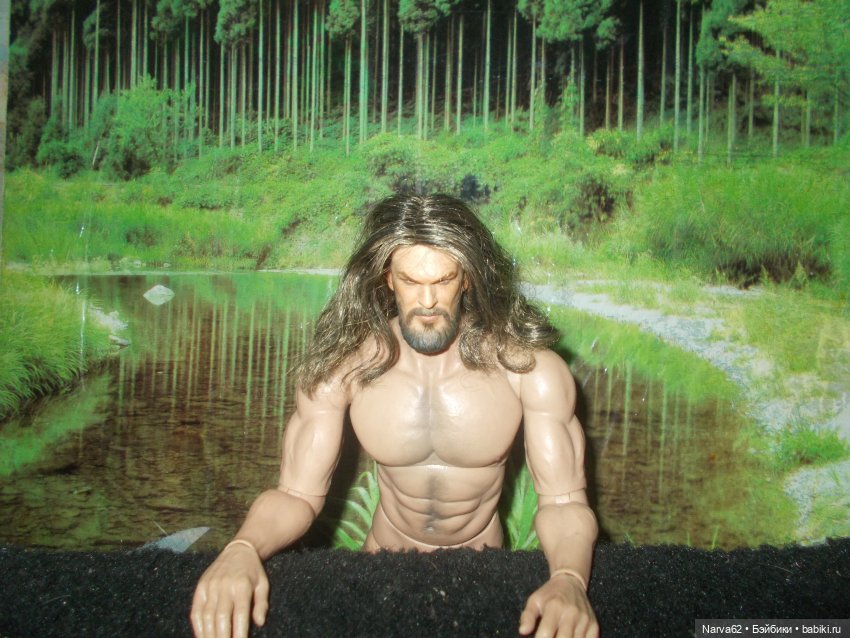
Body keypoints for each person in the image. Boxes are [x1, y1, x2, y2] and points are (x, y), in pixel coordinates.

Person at [191, 194, 599, 638]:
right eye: (410, 280)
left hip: (481, 571)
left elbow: (564, 503)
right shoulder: (344, 370)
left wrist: (569, 579)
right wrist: (243, 547)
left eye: (443, 279)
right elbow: (295, 494)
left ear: (468, 278)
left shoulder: (530, 373)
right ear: (387, 277)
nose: (428, 300)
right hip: (380, 569)